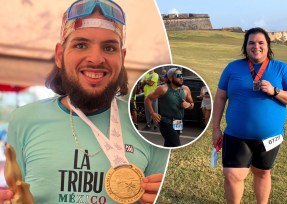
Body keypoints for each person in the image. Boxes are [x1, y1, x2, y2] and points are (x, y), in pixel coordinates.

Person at [0, 1, 169, 203]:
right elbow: (17, 194)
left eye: (109, 47)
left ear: (122, 58)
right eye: (81, 45)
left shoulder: (150, 130)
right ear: (60, 55)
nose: (96, 58)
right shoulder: (24, 119)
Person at [212, 27, 287, 204]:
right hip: (236, 135)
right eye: (251, 42)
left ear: (268, 45)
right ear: (245, 46)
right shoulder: (232, 68)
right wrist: (215, 129)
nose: (256, 46)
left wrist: (275, 91)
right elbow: (221, 97)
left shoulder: (281, 68)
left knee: (262, 172)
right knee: (232, 174)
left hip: (270, 137)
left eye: (261, 43)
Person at [145, 68, 194, 147]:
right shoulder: (163, 89)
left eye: (182, 75)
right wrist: (152, 113)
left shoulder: (186, 89)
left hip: (178, 121)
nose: (181, 78)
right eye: (178, 76)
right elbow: (148, 98)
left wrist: (188, 105)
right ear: (171, 78)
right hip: (165, 122)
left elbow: (192, 104)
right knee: (176, 144)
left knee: (169, 144)